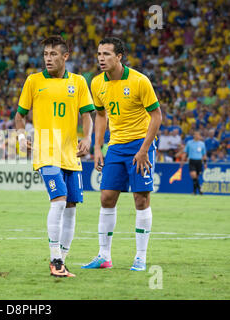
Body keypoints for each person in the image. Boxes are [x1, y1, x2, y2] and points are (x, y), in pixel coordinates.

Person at [15, 35, 94, 278]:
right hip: (46, 151)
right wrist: (20, 136)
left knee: (71, 206)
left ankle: (63, 258)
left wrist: (88, 138)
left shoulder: (79, 82)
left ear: (65, 56)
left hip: (71, 153)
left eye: (53, 55)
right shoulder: (33, 81)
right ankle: (55, 259)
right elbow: (20, 116)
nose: (48, 59)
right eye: (45, 55)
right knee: (59, 200)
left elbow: (87, 115)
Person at [82, 37, 162, 272]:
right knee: (106, 197)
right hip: (115, 146)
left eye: (106, 54)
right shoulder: (97, 83)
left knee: (141, 199)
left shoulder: (139, 81)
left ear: (119, 57)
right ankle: (104, 256)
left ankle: (140, 257)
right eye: (99, 54)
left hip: (140, 144)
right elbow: (101, 115)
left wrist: (144, 149)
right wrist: (98, 147)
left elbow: (156, 116)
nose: (101, 59)